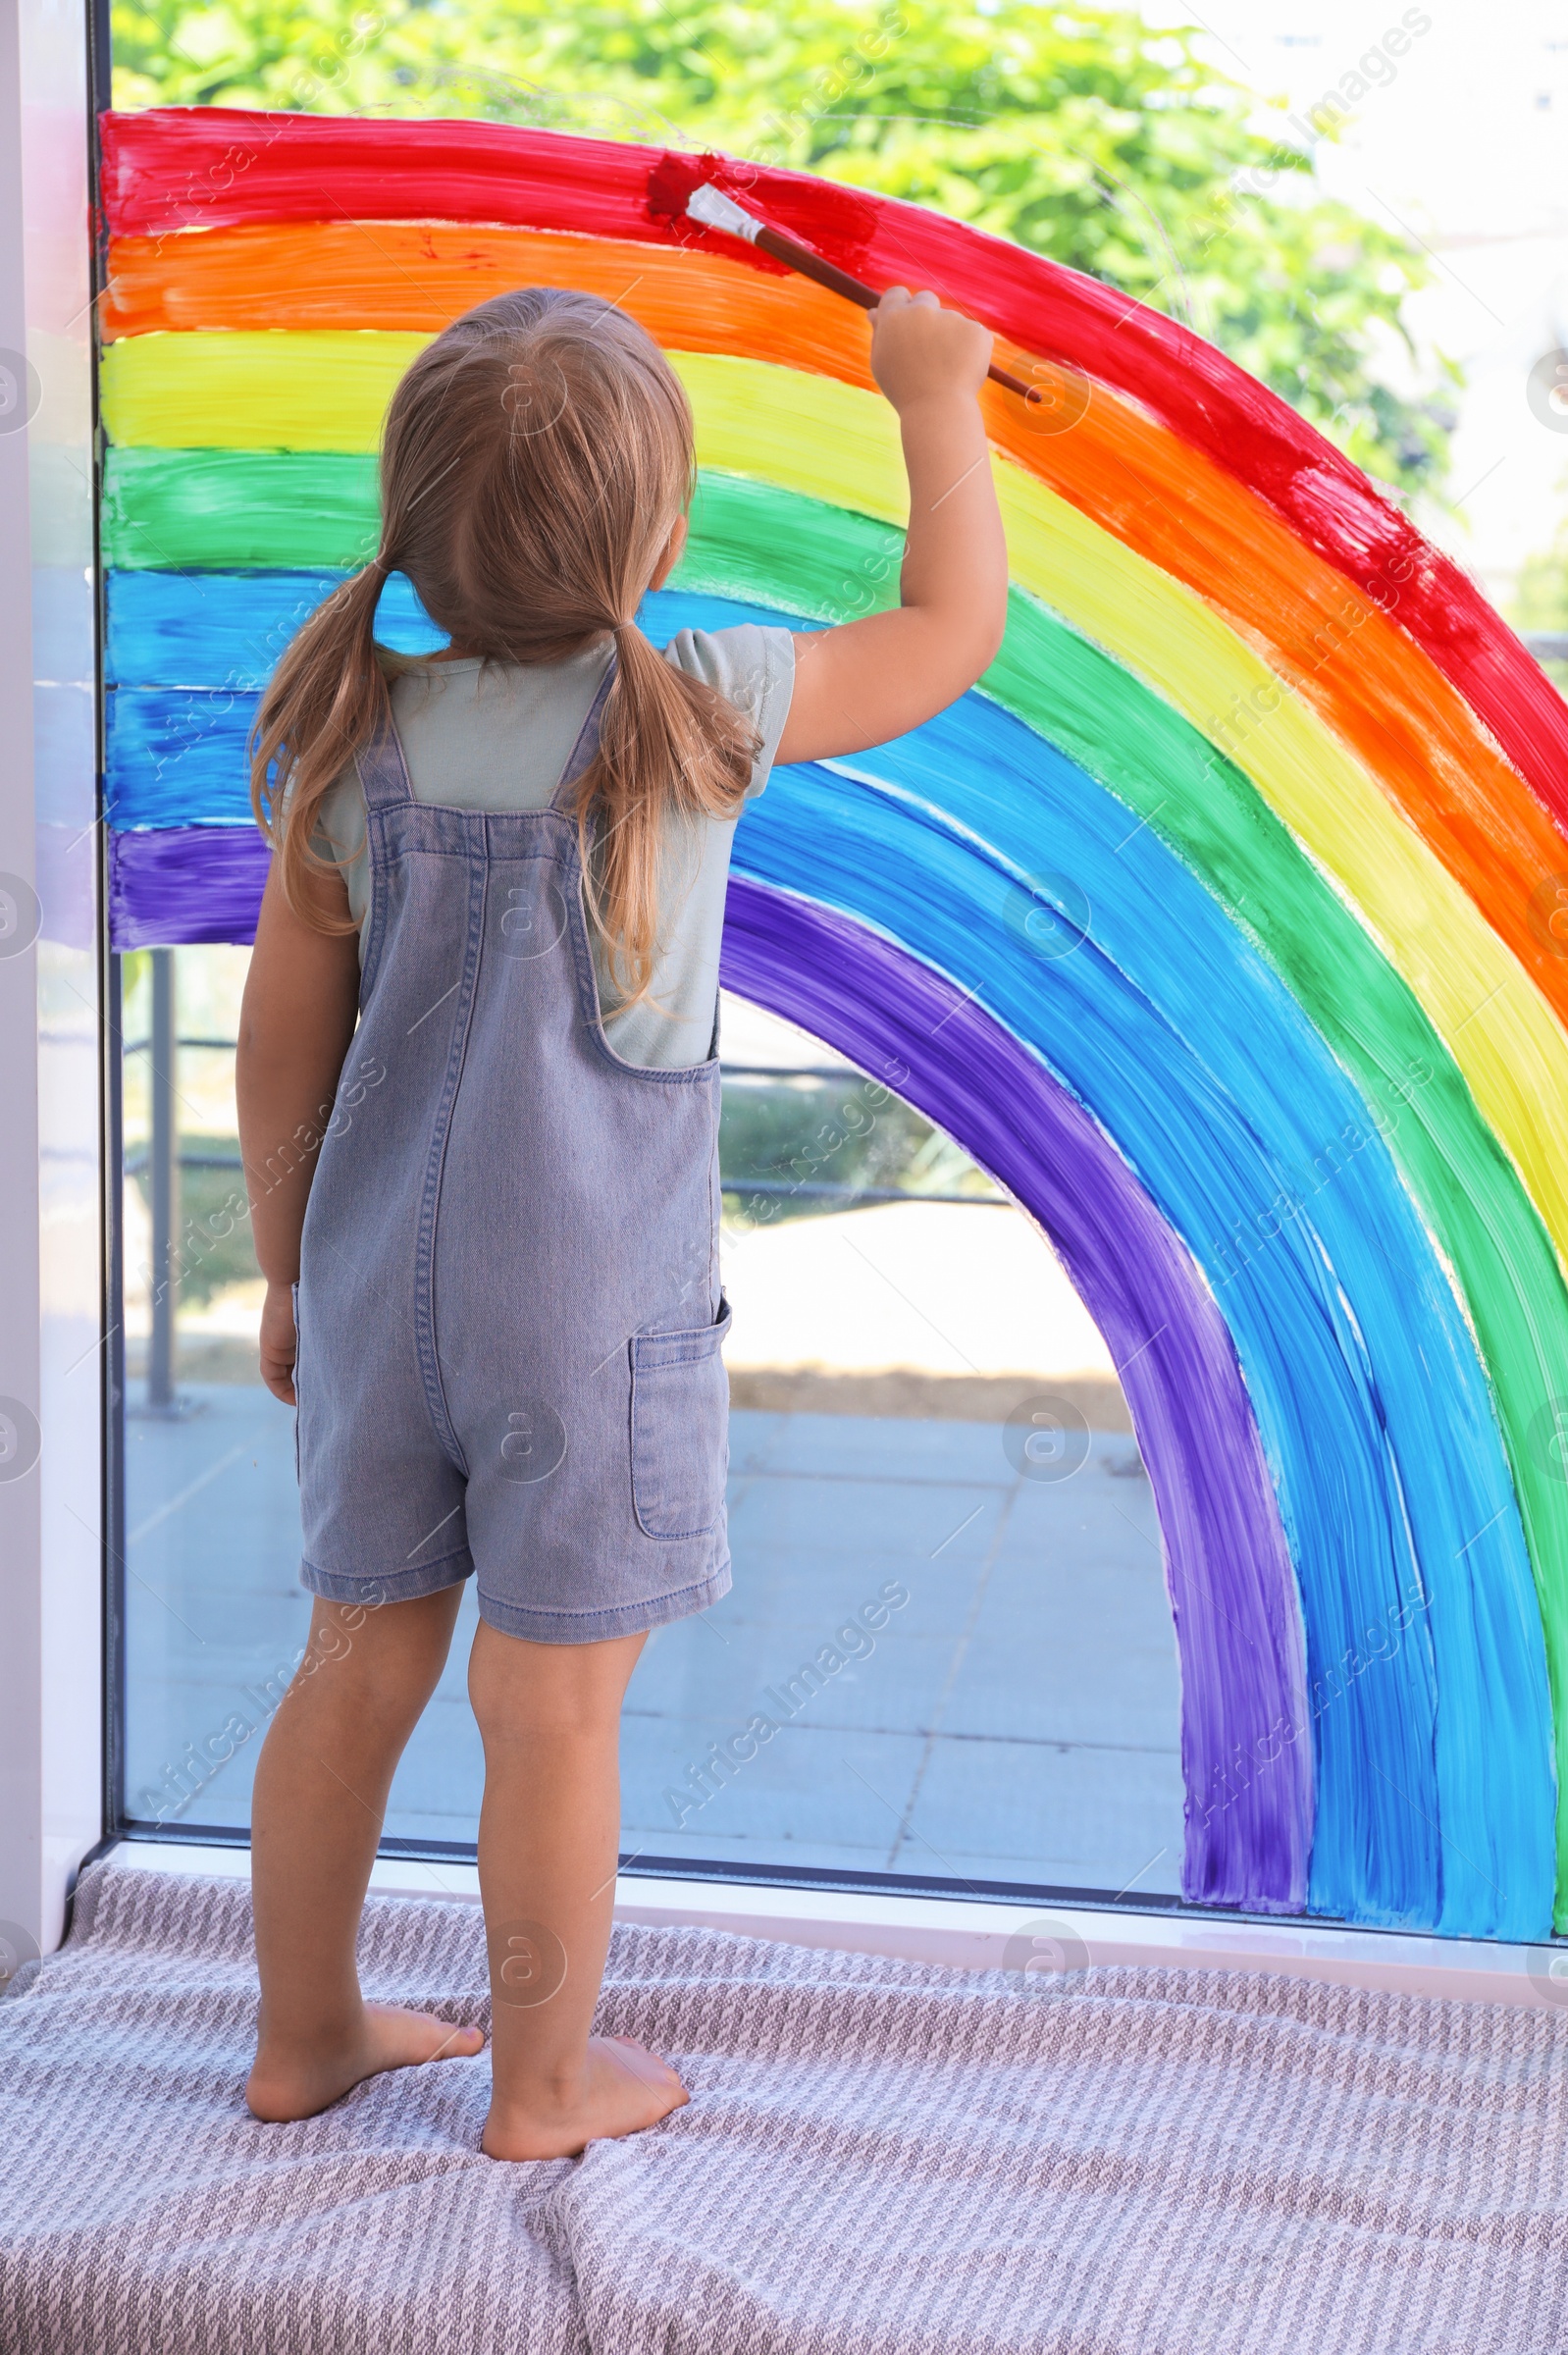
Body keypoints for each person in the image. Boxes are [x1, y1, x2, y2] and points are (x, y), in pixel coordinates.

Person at [235, 279, 1007, 2160]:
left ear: (406, 523)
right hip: (587, 1307)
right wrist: (933, 397)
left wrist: (281, 1270)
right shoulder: (701, 709)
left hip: (374, 1282)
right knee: (551, 1713)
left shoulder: (355, 735)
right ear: (657, 534)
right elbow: (944, 632)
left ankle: (306, 2032)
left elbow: (280, 1041)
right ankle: (542, 2083)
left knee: (356, 1666)